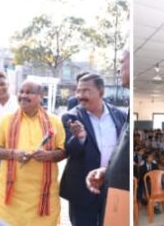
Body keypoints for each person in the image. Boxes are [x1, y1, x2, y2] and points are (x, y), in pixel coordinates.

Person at [0, 81, 66, 226]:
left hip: (43, 199)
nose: (23, 95)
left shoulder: (54, 121)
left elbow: (63, 151)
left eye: (29, 92)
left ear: (41, 95)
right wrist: (13, 154)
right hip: (10, 199)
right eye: (21, 92)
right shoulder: (6, 120)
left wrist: (49, 155)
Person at [61, 73, 127, 226]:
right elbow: (69, 151)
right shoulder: (71, 117)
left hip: (111, 185)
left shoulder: (120, 116)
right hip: (83, 188)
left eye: (86, 91)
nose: (80, 96)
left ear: (101, 92)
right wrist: (79, 138)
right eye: (78, 91)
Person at [85, 49, 130, 225]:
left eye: (122, 62)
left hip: (121, 199)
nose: (119, 69)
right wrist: (107, 171)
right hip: (113, 195)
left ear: (100, 92)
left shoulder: (120, 113)